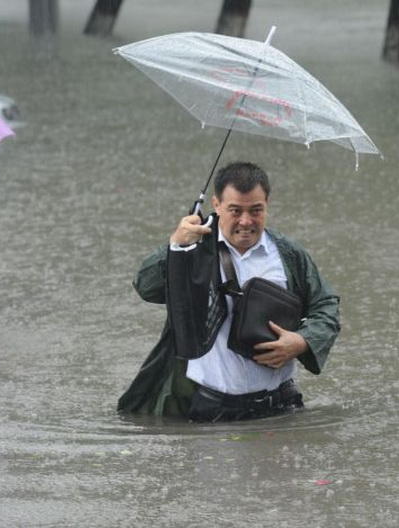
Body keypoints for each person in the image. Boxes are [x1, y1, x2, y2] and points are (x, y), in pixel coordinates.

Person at [118, 162, 341, 422]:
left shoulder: (288, 254)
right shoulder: (193, 251)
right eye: (235, 210)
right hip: (213, 409)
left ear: (267, 203)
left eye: (256, 210)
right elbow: (146, 286)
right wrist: (175, 245)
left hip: (281, 407)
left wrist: (301, 342)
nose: (246, 221)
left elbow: (326, 305)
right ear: (216, 204)